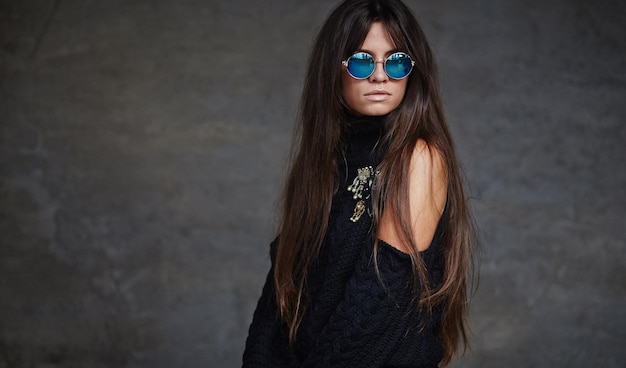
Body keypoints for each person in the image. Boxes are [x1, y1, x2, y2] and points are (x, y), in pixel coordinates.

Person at [243, 0, 476, 366]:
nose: (380, 75)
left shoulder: (419, 159)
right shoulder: (321, 164)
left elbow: (376, 305)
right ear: (334, 69)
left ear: (413, 72)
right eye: (362, 60)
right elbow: (281, 298)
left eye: (397, 61)